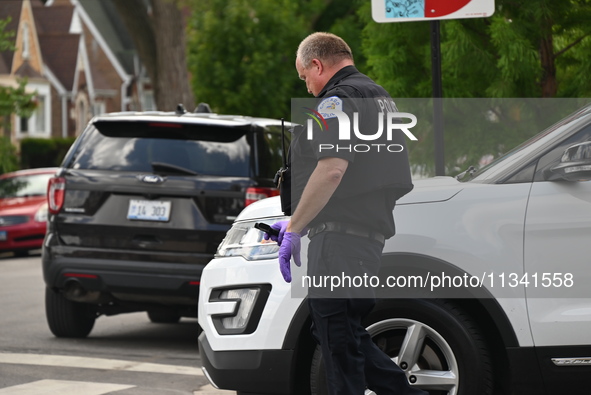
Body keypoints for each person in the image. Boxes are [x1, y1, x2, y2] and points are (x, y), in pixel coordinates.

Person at [266, 32, 427, 395]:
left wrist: (295, 225)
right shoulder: (380, 98)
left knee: (338, 340)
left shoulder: (336, 101)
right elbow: (366, 176)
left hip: (340, 243)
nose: (307, 88)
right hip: (363, 241)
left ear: (317, 64)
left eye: (305, 77)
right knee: (338, 336)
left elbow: (332, 169)